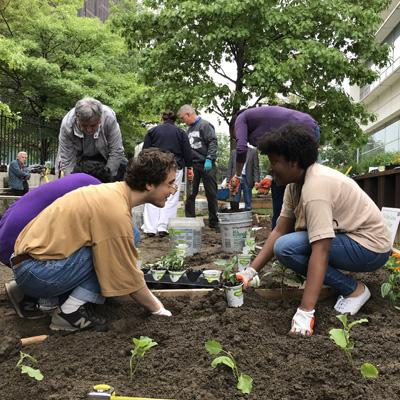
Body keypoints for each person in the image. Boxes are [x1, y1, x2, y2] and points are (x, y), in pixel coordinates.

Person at [236, 124, 391, 336]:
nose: (271, 170)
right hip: (349, 239)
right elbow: (279, 230)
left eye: (274, 162)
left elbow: (322, 249)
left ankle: (354, 290)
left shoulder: (315, 187)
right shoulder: (294, 185)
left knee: (288, 248)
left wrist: (305, 312)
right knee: (284, 245)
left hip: (371, 247)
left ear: (294, 162)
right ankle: (351, 288)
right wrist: (249, 272)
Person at [10, 149, 176, 332]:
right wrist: (159, 310)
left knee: (130, 235)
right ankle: (70, 311)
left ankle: (59, 300)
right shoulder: (114, 210)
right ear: (150, 184)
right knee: (113, 254)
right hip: (37, 274)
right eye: (170, 184)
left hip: (32, 268)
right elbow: (126, 273)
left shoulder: (112, 193)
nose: (172, 190)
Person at [230, 105, 320, 228]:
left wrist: (237, 176)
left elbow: (241, 149)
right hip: (307, 130)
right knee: (281, 188)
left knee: (305, 188)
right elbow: (276, 158)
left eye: (235, 136)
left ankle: (302, 232)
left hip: (306, 132)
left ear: (234, 127)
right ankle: (282, 233)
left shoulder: (241, 118)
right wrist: (269, 177)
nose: (239, 138)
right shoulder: (264, 127)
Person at [142, 111, 193, 237]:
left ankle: (150, 228)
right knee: (171, 196)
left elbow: (145, 151)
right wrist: (189, 166)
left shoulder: (152, 131)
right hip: (175, 167)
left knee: (151, 194)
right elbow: (187, 151)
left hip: (156, 166)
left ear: (162, 119)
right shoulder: (180, 132)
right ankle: (163, 226)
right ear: (175, 120)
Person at [55, 97, 127, 180]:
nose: (89, 130)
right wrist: (74, 181)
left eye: (93, 125)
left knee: (123, 168)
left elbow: (116, 151)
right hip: (78, 158)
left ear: (100, 119)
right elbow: (67, 160)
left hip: (106, 155)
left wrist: (107, 180)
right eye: (84, 125)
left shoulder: (109, 118)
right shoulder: (67, 125)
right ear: (77, 119)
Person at [178, 105, 219, 230]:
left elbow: (213, 142)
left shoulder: (205, 125)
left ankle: (214, 222)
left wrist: (209, 158)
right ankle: (190, 221)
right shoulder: (188, 130)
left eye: (183, 118)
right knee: (190, 193)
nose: (182, 121)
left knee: (211, 193)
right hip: (192, 166)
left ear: (188, 114)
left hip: (207, 165)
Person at [227, 146, 260, 211]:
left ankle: (248, 212)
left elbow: (256, 168)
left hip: (247, 178)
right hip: (235, 178)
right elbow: (230, 167)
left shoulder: (253, 152)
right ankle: (235, 212)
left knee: (248, 198)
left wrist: (256, 181)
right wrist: (228, 180)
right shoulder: (233, 152)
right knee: (235, 199)